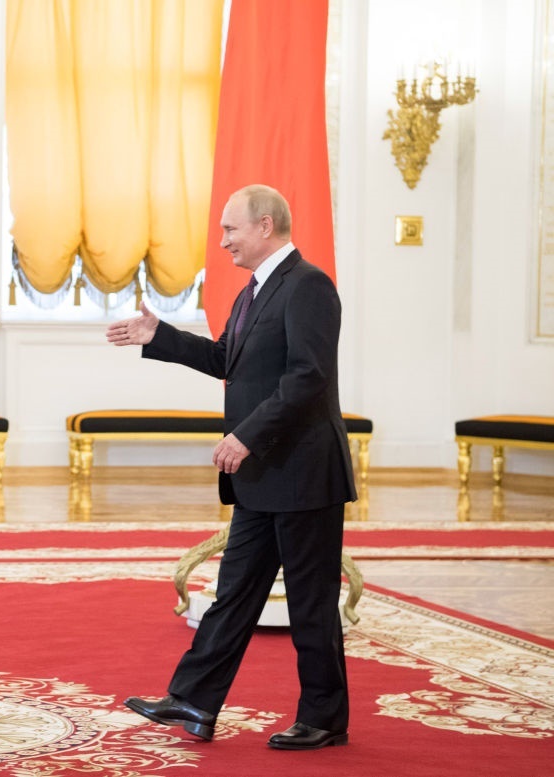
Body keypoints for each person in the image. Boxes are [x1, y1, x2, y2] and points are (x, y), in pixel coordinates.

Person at [107, 184, 354, 750]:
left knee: (311, 602)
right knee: (234, 592)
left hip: (304, 473)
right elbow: (226, 359)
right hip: (262, 476)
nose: (222, 242)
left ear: (265, 226)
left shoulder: (309, 286)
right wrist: (160, 336)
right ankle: (194, 701)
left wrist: (246, 435)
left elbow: (309, 376)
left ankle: (324, 718)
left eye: (230, 229)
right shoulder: (253, 293)